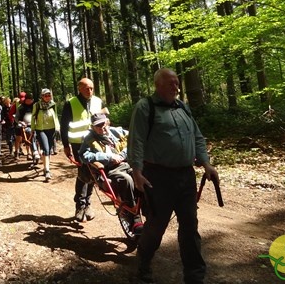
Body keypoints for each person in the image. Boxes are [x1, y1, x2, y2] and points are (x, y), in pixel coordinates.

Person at [128, 68, 219, 284]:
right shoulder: (145, 107)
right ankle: (144, 261)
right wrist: (137, 172)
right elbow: (137, 141)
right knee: (156, 225)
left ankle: (195, 277)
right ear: (158, 85)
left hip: (186, 176)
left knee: (190, 226)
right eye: (170, 83)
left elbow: (197, 137)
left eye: (177, 83)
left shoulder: (183, 108)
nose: (175, 87)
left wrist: (206, 163)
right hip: (157, 177)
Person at [79, 113, 142, 234]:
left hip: (128, 163)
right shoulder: (89, 139)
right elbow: (83, 156)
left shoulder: (117, 132)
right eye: (98, 125)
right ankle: (135, 218)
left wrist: (123, 154)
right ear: (93, 127)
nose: (101, 127)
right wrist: (107, 157)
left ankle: (149, 210)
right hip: (111, 168)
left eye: (103, 123)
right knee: (126, 179)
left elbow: (134, 140)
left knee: (143, 175)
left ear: (107, 122)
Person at [60, 77, 108, 222]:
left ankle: (87, 203)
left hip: (95, 142)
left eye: (92, 88)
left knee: (93, 172)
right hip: (78, 143)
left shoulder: (98, 101)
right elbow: (63, 125)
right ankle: (80, 205)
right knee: (83, 172)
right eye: (86, 88)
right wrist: (66, 145)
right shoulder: (71, 103)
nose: (90, 91)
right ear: (79, 88)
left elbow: (105, 121)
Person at [31, 88, 60, 181]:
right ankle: (47, 170)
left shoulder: (53, 104)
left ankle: (45, 167)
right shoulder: (37, 105)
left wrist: (58, 128)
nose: (48, 97)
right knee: (46, 149)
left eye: (49, 95)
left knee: (49, 150)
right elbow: (33, 117)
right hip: (41, 129)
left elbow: (55, 116)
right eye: (46, 95)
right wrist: (32, 128)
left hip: (51, 129)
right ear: (42, 96)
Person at [14, 93, 35, 160]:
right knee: (19, 139)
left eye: (30, 100)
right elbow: (16, 117)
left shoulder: (34, 107)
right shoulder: (20, 107)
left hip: (32, 125)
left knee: (31, 137)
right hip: (21, 125)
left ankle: (32, 152)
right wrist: (20, 122)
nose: (29, 102)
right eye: (27, 100)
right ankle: (18, 152)